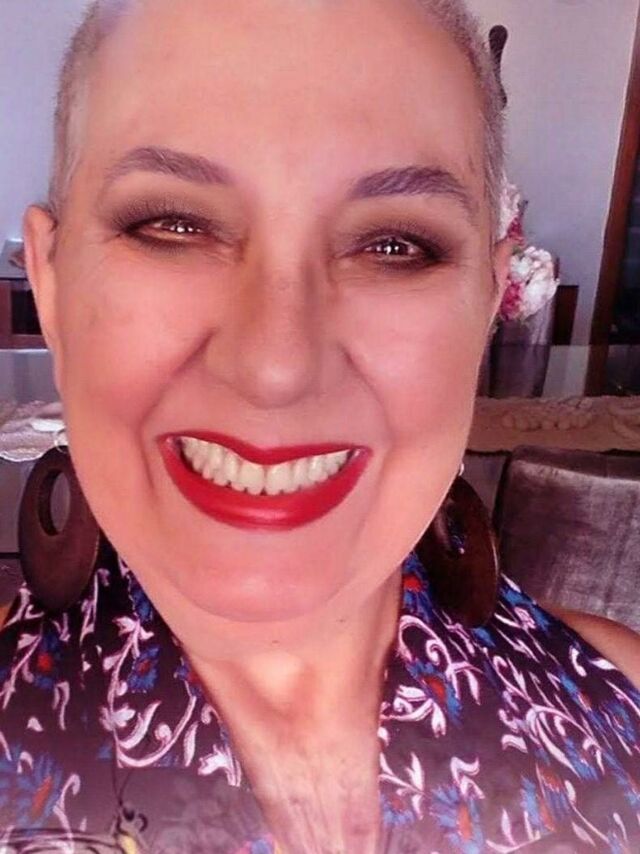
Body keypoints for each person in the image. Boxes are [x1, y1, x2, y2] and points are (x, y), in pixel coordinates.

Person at [1, 0, 639, 851]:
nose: (277, 366)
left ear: (486, 305)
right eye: (173, 226)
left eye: (394, 245)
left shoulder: (623, 714)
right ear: (51, 286)